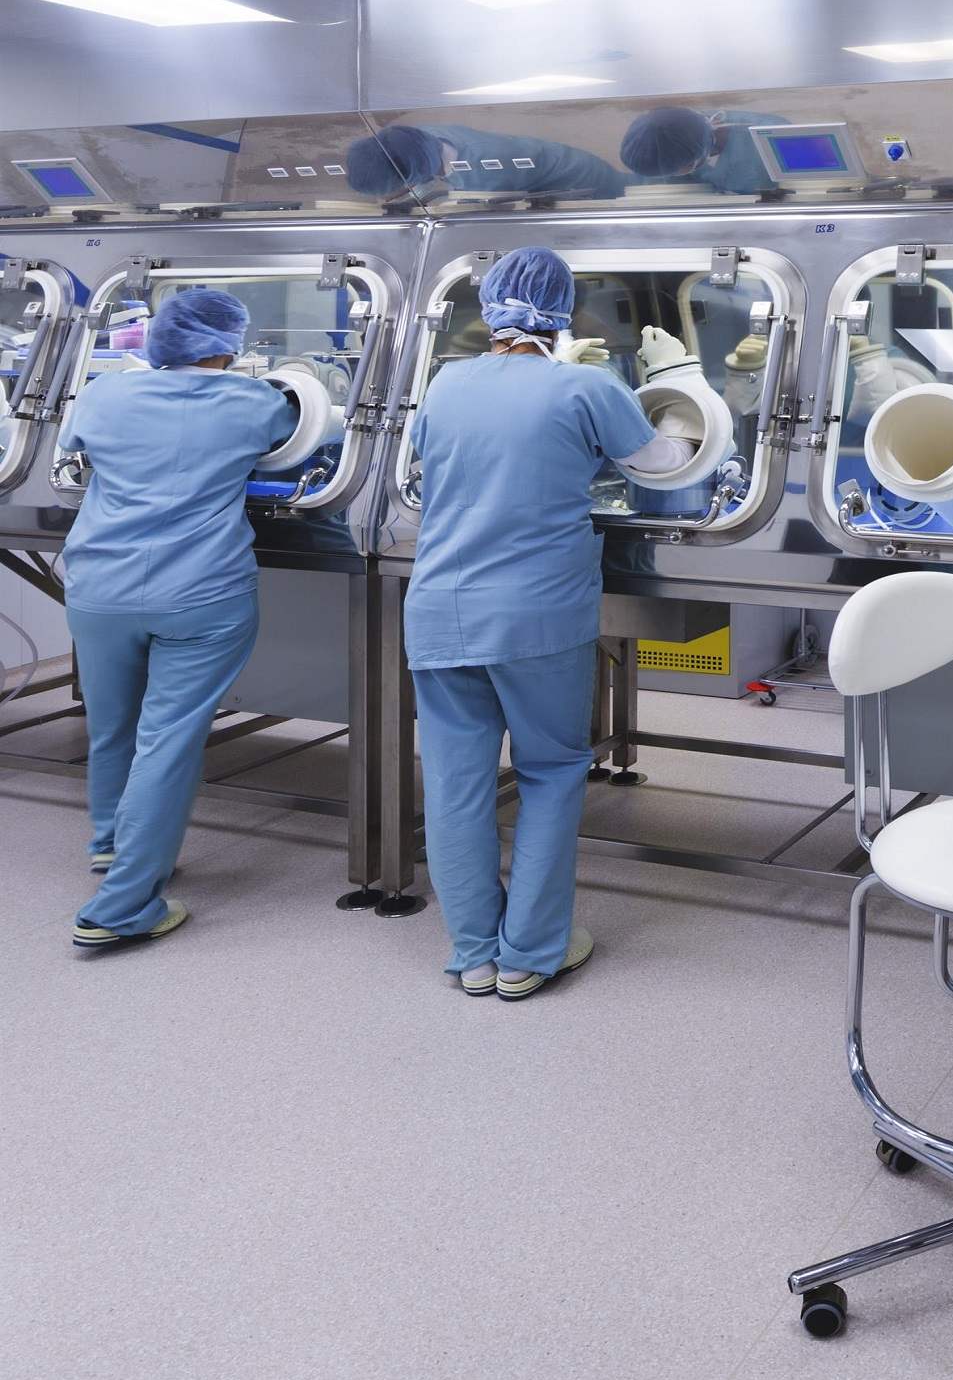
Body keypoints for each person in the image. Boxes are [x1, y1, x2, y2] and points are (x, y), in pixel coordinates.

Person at [403, 247, 710, 1000]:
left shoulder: (445, 381)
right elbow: (668, 459)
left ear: (491, 308)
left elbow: (427, 459)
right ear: (561, 312)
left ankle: (474, 953)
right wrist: (674, 380)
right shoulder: (584, 385)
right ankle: (530, 955)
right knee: (549, 772)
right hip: (537, 615)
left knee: (455, 784)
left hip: (440, 608)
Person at [58, 288, 294, 948]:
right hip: (201, 595)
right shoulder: (252, 402)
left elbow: (74, 446)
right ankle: (123, 905)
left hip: (100, 591)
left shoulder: (105, 394)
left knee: (113, 729)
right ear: (231, 344)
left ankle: (111, 846)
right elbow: (303, 433)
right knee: (167, 740)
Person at [344, 123, 627, 205]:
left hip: (591, 185)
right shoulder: (413, 138)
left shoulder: (485, 173)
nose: (384, 198)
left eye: (389, 190)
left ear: (410, 179)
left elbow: (487, 214)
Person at [617, 104, 786, 197]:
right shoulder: (659, 146)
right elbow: (658, 195)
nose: (668, 176)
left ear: (691, 162)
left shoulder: (770, 135)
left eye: (673, 171)